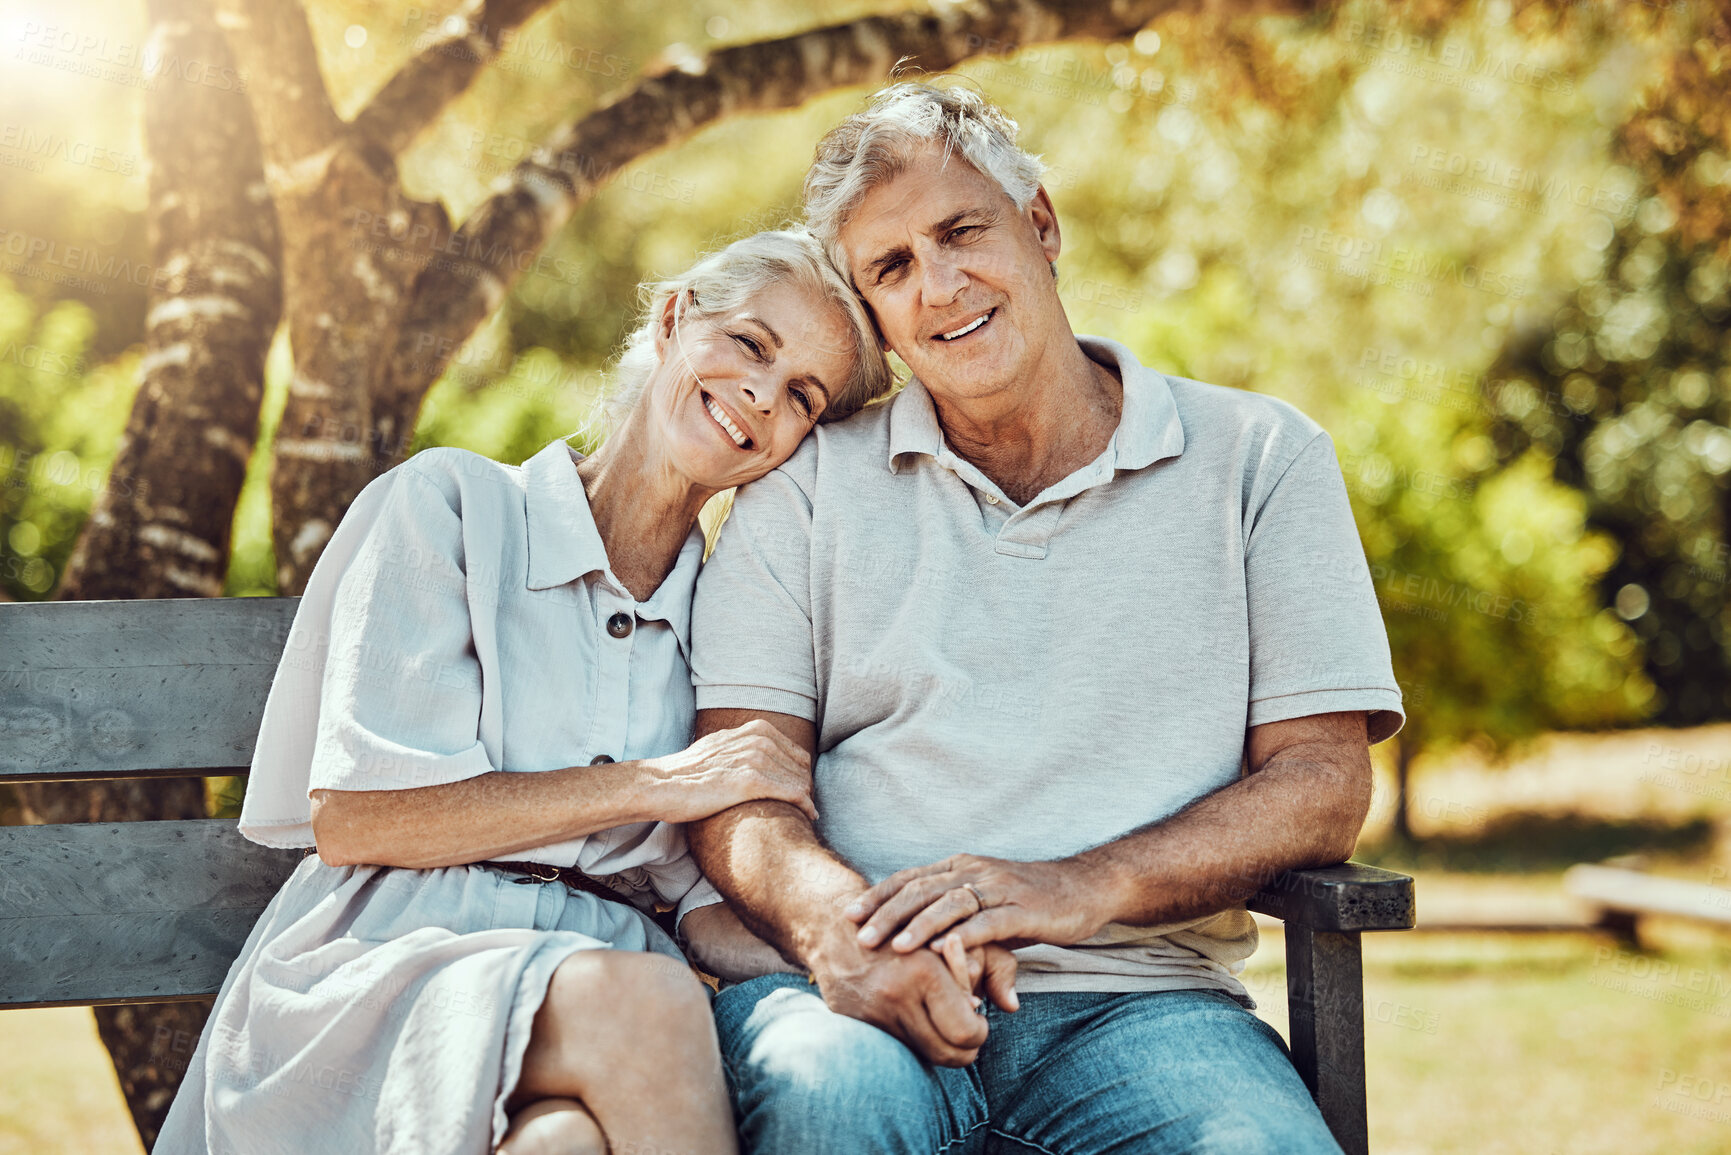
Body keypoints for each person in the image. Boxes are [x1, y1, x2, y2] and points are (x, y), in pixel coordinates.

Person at [684, 83, 1408, 1154]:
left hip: (1143, 1005)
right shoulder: (803, 488)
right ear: (874, 314)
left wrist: (1081, 885)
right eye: (890, 268)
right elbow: (739, 785)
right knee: (831, 1100)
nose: (938, 286)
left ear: (1041, 223)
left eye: (960, 231)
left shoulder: (1260, 459)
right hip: (849, 995)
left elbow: (1322, 782)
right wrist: (843, 931)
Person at [154, 228, 896, 1155]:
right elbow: (360, 816)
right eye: (750, 344)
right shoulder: (453, 507)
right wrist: (659, 781)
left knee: (564, 1147)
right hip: (392, 967)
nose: (762, 394)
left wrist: (867, 950)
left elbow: (699, 908)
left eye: (802, 397)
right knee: (648, 1001)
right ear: (673, 320)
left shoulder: (728, 620)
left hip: (583, 1013)